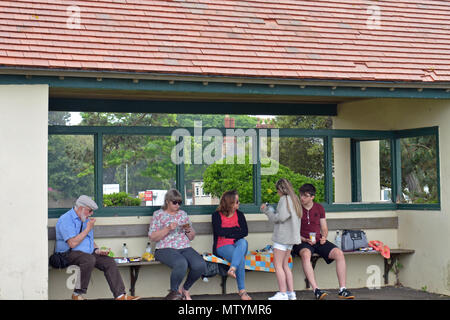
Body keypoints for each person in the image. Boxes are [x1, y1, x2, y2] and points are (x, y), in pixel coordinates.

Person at [55, 195, 140, 300]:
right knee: (88, 259)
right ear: (81, 208)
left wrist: (98, 250)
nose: (91, 214)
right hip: (67, 254)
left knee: (108, 261)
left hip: (86, 253)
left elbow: (89, 240)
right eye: (90, 211)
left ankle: (120, 295)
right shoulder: (66, 219)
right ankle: (77, 294)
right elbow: (72, 243)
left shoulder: (85, 219)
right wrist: (88, 228)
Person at [292, 184, 355, 300]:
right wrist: (304, 239)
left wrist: (324, 237)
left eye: (305, 196)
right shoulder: (297, 208)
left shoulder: (319, 208)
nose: (302, 198)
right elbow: (293, 230)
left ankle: (342, 289)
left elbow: (324, 227)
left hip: (318, 240)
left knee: (339, 253)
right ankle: (316, 290)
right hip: (301, 241)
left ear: (312, 197)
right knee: (306, 254)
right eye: (301, 195)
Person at [149, 189, 206, 300]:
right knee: (181, 263)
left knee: (200, 265)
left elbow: (191, 237)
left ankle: (185, 289)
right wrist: (167, 229)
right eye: (174, 202)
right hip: (164, 248)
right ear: (167, 201)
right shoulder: (158, 215)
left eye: (179, 202)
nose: (177, 205)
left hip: (184, 246)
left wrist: (188, 229)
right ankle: (174, 294)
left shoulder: (183, 214)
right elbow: (152, 237)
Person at [260, 178, 302, 300]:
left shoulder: (285, 200)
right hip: (291, 239)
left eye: (277, 190)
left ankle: (282, 293)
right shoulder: (295, 200)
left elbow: (280, 218)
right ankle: (291, 293)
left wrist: (267, 210)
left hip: (283, 237)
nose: (277, 192)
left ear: (281, 189)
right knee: (285, 265)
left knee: (277, 265)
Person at [212, 190, 251, 300]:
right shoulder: (216, 215)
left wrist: (228, 232)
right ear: (230, 203)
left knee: (243, 241)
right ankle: (242, 291)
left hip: (238, 244)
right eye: (236, 201)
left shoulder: (240, 214)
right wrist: (235, 230)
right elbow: (219, 232)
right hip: (222, 246)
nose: (239, 204)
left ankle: (232, 268)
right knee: (241, 259)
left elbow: (244, 232)